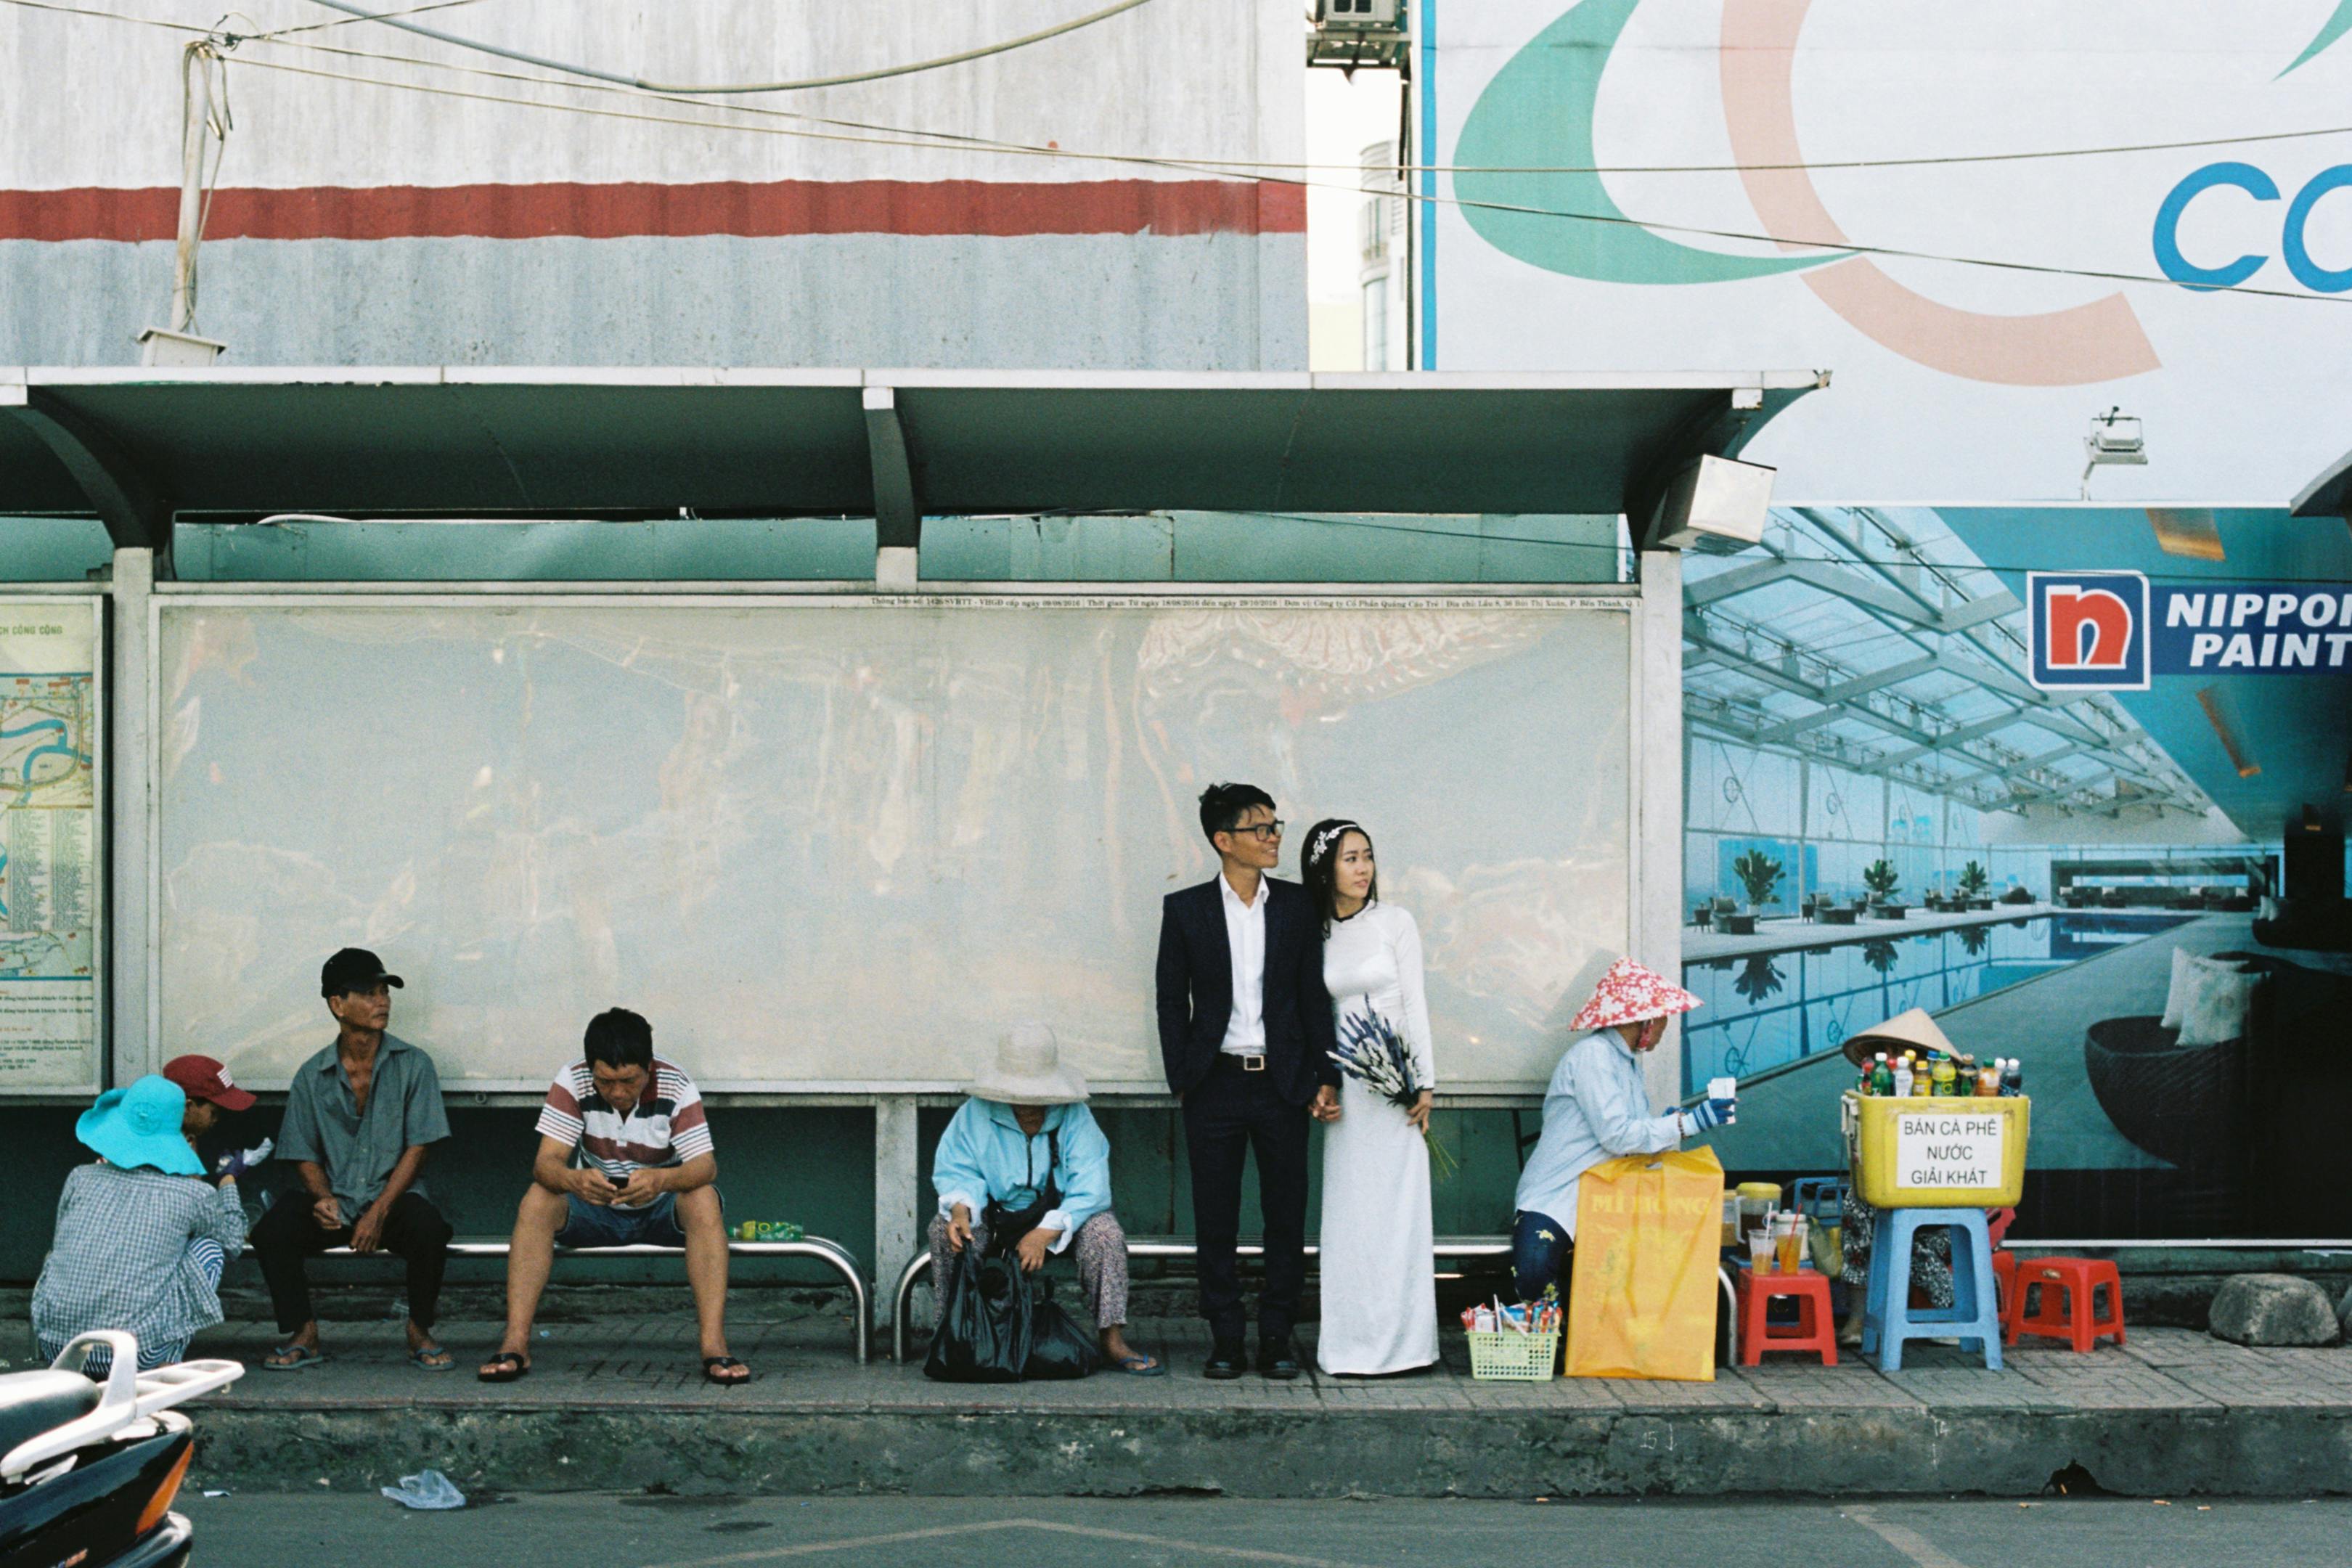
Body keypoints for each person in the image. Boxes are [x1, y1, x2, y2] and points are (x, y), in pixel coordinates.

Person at [1155, 782, 1339, 1381]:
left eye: (1276, 826)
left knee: (1286, 1216)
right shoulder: (1185, 910)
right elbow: (1169, 998)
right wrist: (1182, 1074)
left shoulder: (1294, 905)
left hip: (1282, 1082)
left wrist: (1325, 1073)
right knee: (1217, 1217)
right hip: (1215, 1084)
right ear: (1223, 840)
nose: (1274, 837)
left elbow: (1313, 996)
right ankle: (1226, 1338)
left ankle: (1279, 1337)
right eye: (1262, 829)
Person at [478, 1007, 746, 1384]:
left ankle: (714, 1345)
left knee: (702, 1197)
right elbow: (546, 1165)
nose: (618, 1092)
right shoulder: (573, 1081)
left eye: (629, 1081)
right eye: (605, 1082)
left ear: (649, 1068)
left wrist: (660, 1181)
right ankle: (516, 1343)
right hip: (595, 1207)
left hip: (660, 1208)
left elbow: (705, 1167)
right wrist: (574, 1181)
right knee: (539, 1198)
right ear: (591, 1069)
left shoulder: (676, 1084)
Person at [252, 947, 455, 1372]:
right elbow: (302, 1151)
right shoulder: (312, 1074)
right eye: (368, 993)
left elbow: (420, 1147)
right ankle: (304, 1332)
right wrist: (323, 1198)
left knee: (430, 1230)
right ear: (337, 1004)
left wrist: (379, 1212)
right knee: (273, 1230)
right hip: (337, 1199)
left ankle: (419, 1329)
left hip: (392, 1198)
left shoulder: (414, 1065)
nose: (382, 1001)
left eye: (384, 992)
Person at [928, 1023, 1159, 1376]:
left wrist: (1046, 1232)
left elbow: (1091, 1187)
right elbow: (958, 1169)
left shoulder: (1075, 1116)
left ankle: (1112, 1339)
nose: (1028, 1105)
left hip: (1064, 1214)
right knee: (944, 1232)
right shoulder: (975, 1113)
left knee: (1106, 1235)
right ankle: (956, 1334)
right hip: (995, 1213)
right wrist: (961, 1209)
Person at [1511, 957, 1733, 1304]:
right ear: (1645, 1021)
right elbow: (1618, 1136)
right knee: (1537, 1275)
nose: (1664, 1029)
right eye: (1663, 1020)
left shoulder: (1625, 1064)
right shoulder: (1593, 1057)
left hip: (1602, 1197)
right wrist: (1687, 1123)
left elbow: (1632, 1135)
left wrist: (1668, 1124)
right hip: (1558, 1198)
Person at [1303, 817, 1438, 1376]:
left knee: (1399, 1214)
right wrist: (1321, 1082)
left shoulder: (1395, 922)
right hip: (1348, 1089)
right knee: (1353, 1216)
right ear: (1326, 869)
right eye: (1350, 859)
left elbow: (1415, 1002)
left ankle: (1409, 1346)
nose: (1363, 869)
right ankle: (1349, 1347)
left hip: (1396, 1086)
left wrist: (1424, 1082)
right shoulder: (1315, 932)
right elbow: (1313, 1015)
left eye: (1368, 857)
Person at [33, 1075, 253, 1375]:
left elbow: (58, 1246)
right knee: (209, 1248)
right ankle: (169, 1360)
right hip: (135, 1357)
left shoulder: (80, 1177)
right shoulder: (194, 1194)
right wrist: (228, 1182)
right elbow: (231, 1243)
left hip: (60, 1350)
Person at [162, 1053, 266, 1173]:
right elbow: (194, 1189)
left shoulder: (188, 1138)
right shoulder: (165, 1151)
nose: (216, 1120)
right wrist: (228, 1180)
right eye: (213, 1113)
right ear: (188, 1107)